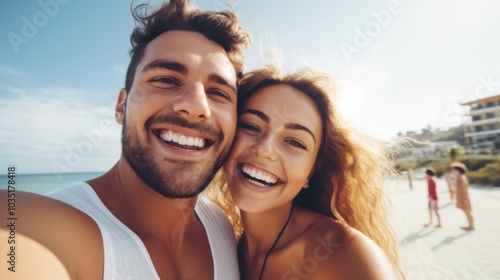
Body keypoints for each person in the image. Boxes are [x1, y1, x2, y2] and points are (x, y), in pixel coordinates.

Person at [0, 0, 251, 279]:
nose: (196, 106)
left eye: (219, 93)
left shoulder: (225, 226)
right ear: (121, 106)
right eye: (166, 79)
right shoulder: (40, 226)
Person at [207, 66, 405, 279]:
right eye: (251, 126)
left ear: (311, 171)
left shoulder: (342, 254)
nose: (265, 150)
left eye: (294, 142)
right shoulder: (226, 247)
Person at [451, 162, 474, 231]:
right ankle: (470, 225)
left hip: (464, 198)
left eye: (454, 169)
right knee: (466, 212)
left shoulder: (461, 178)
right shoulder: (459, 177)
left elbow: (463, 189)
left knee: (467, 212)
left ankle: (471, 226)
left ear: (458, 170)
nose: (452, 171)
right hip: (462, 197)